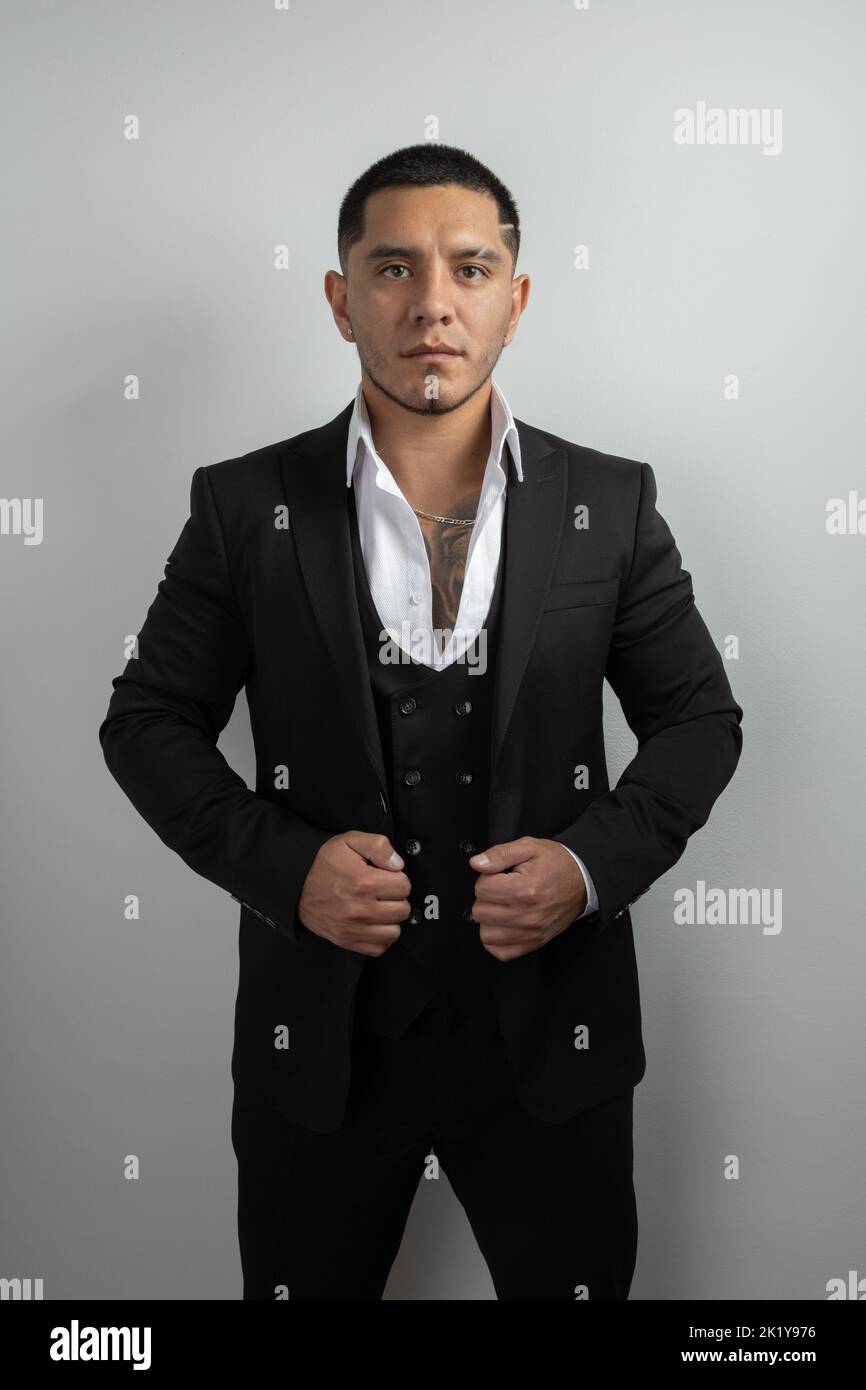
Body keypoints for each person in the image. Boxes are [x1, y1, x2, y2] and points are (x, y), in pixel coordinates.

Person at [98, 142, 744, 1300]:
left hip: (555, 1039)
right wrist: (286, 869)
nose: (432, 303)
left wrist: (585, 869)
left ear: (515, 300)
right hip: (320, 1045)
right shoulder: (245, 505)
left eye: (469, 267)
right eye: (392, 268)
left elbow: (698, 717)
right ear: (340, 298)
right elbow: (146, 719)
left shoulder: (609, 503)